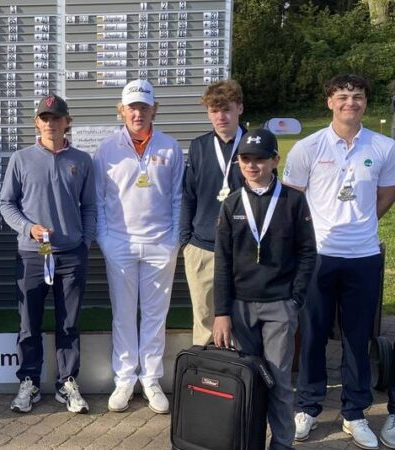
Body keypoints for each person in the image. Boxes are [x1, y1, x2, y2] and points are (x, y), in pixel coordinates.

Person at [284, 74, 395, 449]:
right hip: (318, 257)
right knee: (313, 334)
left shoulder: (383, 146)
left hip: (362, 257)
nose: (351, 102)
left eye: (358, 97)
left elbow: (386, 194)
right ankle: (308, 407)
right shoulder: (308, 147)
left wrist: (361, 225)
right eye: (343, 96)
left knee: (356, 336)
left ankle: (354, 413)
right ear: (329, 101)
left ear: (366, 102)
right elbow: (293, 200)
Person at [213, 129, 316, 450]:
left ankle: (282, 444)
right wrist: (221, 312)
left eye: (260, 159)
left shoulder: (293, 201)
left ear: (275, 160)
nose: (253, 165)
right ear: (238, 163)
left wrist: (294, 298)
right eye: (246, 159)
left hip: (279, 306)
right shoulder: (231, 205)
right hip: (241, 309)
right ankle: (249, 442)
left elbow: (308, 253)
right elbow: (222, 262)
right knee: (248, 381)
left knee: (279, 380)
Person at [0, 94, 96, 414]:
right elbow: (6, 204)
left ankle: (66, 383)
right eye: (45, 118)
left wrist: (85, 242)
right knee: (29, 324)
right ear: (36, 123)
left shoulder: (82, 161)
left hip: (71, 256)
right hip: (32, 255)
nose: (50, 123)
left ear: (67, 122)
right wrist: (28, 228)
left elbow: (91, 207)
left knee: (68, 324)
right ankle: (29, 381)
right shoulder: (21, 158)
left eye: (56, 118)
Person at [93, 79, 183, 415]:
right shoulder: (107, 149)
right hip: (120, 243)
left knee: (155, 316)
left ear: (154, 110)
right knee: (124, 314)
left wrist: (172, 239)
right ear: (122, 110)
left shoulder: (170, 147)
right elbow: (99, 200)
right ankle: (125, 378)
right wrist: (105, 240)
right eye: (132, 107)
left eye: (144, 107)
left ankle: (151, 378)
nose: (138, 113)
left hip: (160, 243)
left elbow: (176, 198)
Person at [180, 80, 246, 346]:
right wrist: (186, 242)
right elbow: (188, 195)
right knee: (205, 319)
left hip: (243, 249)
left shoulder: (254, 145)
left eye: (227, 109)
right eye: (214, 110)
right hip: (203, 248)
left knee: (242, 320)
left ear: (240, 108)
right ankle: (206, 380)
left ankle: (241, 382)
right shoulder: (199, 146)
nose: (220, 116)